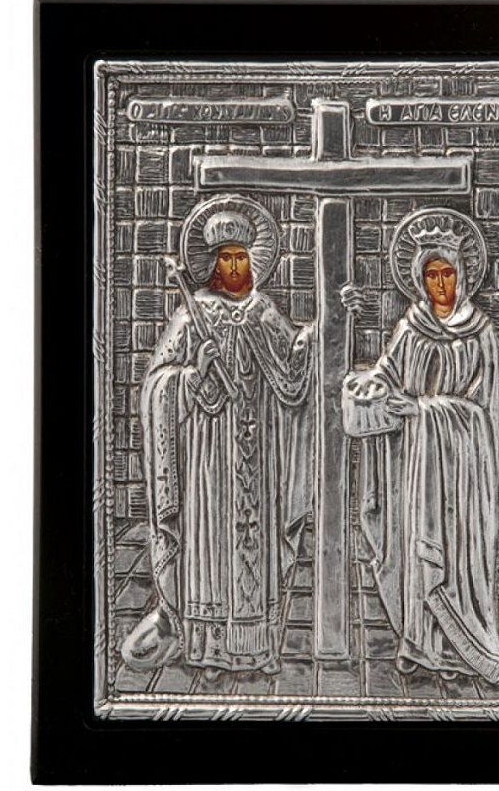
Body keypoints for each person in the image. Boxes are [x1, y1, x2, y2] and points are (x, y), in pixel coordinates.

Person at [122, 202, 314, 679]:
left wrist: (319, 334)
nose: (233, 267)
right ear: (212, 263)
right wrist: (193, 374)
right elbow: (157, 386)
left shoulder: (264, 311)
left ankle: (259, 650)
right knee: (211, 549)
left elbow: (293, 372)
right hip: (208, 462)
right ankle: (210, 653)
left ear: (254, 261)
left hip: (258, 454)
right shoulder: (193, 316)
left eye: (241, 258)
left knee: (256, 552)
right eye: (225, 258)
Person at [342, 217, 499, 685]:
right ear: (419, 278)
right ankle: (417, 643)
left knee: (452, 554)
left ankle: (458, 651)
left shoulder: (479, 332)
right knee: (415, 547)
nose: (440, 284)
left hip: (460, 471)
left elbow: (483, 413)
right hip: (415, 464)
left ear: (462, 274)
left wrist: (423, 409)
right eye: (432, 274)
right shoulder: (411, 327)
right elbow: (387, 373)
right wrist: (368, 382)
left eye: (447, 273)